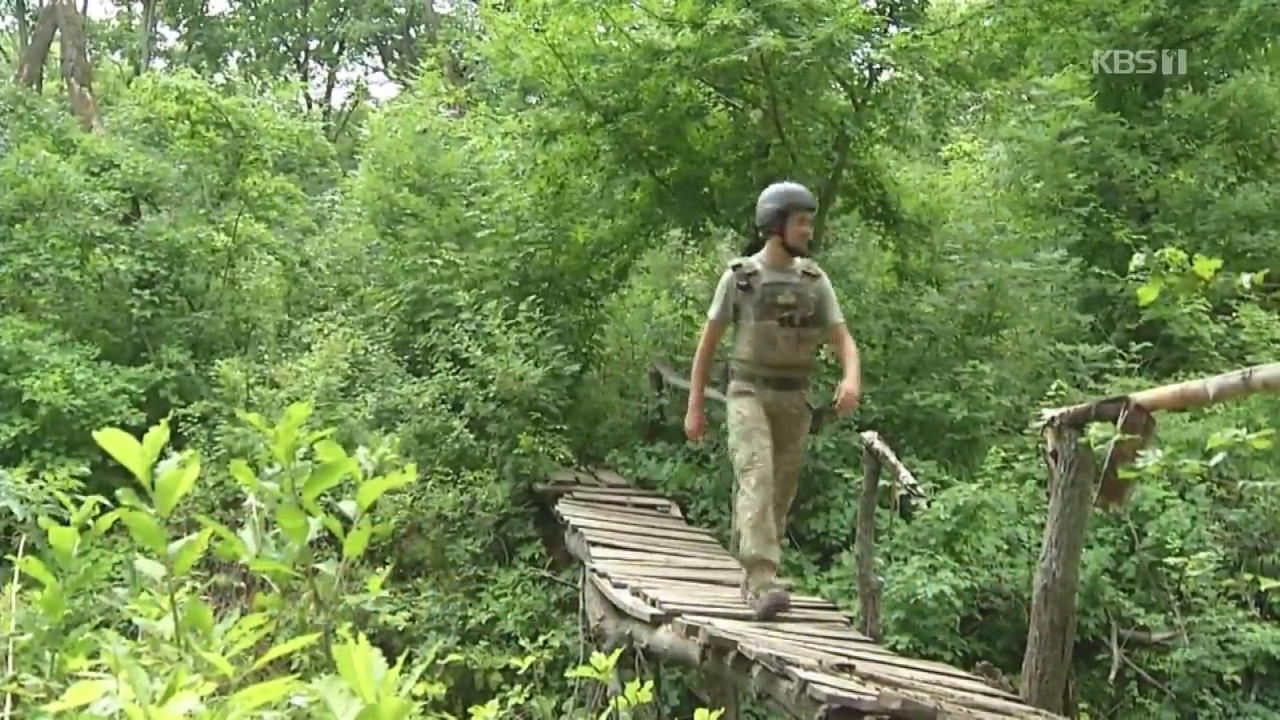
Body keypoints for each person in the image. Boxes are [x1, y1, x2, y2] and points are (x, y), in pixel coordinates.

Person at [683, 180, 862, 620]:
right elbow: (708, 346)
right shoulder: (740, 279)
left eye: (809, 222)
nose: (808, 231)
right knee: (757, 476)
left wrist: (851, 378)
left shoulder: (814, 282)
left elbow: (843, 340)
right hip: (748, 393)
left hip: (794, 400)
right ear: (775, 224)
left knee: (778, 494)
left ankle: (750, 570)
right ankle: (763, 581)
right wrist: (695, 406)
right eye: (801, 222)